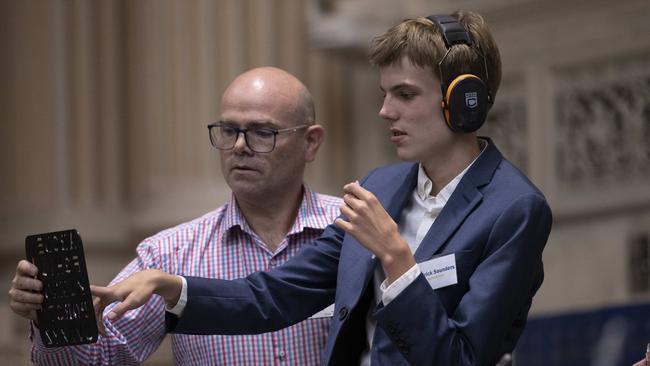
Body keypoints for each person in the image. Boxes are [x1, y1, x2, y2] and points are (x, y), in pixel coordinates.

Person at [91, 10, 553, 366]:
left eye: (405, 95)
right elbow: (270, 297)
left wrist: (397, 260)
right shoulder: (382, 186)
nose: (385, 111)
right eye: (383, 93)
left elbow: (460, 359)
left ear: (463, 102)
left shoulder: (515, 209)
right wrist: (170, 286)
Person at [8, 66, 341, 365]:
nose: (239, 146)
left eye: (261, 132)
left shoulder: (354, 229)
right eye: (228, 130)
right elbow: (100, 360)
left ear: (311, 142)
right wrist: (50, 318)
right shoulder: (170, 253)